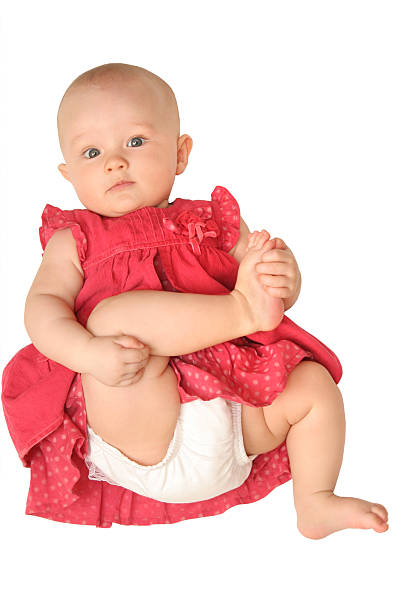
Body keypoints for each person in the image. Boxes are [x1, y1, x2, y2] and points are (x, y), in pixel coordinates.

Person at [1, 63, 388, 537]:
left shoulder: (212, 223)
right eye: (92, 151)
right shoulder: (74, 240)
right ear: (68, 172)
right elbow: (40, 311)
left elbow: (267, 280)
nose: (115, 162)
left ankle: (315, 499)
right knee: (112, 319)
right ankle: (237, 313)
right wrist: (86, 353)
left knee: (312, 385)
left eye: (137, 143)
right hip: (139, 421)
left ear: (180, 153)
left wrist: (283, 276)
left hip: (239, 421)